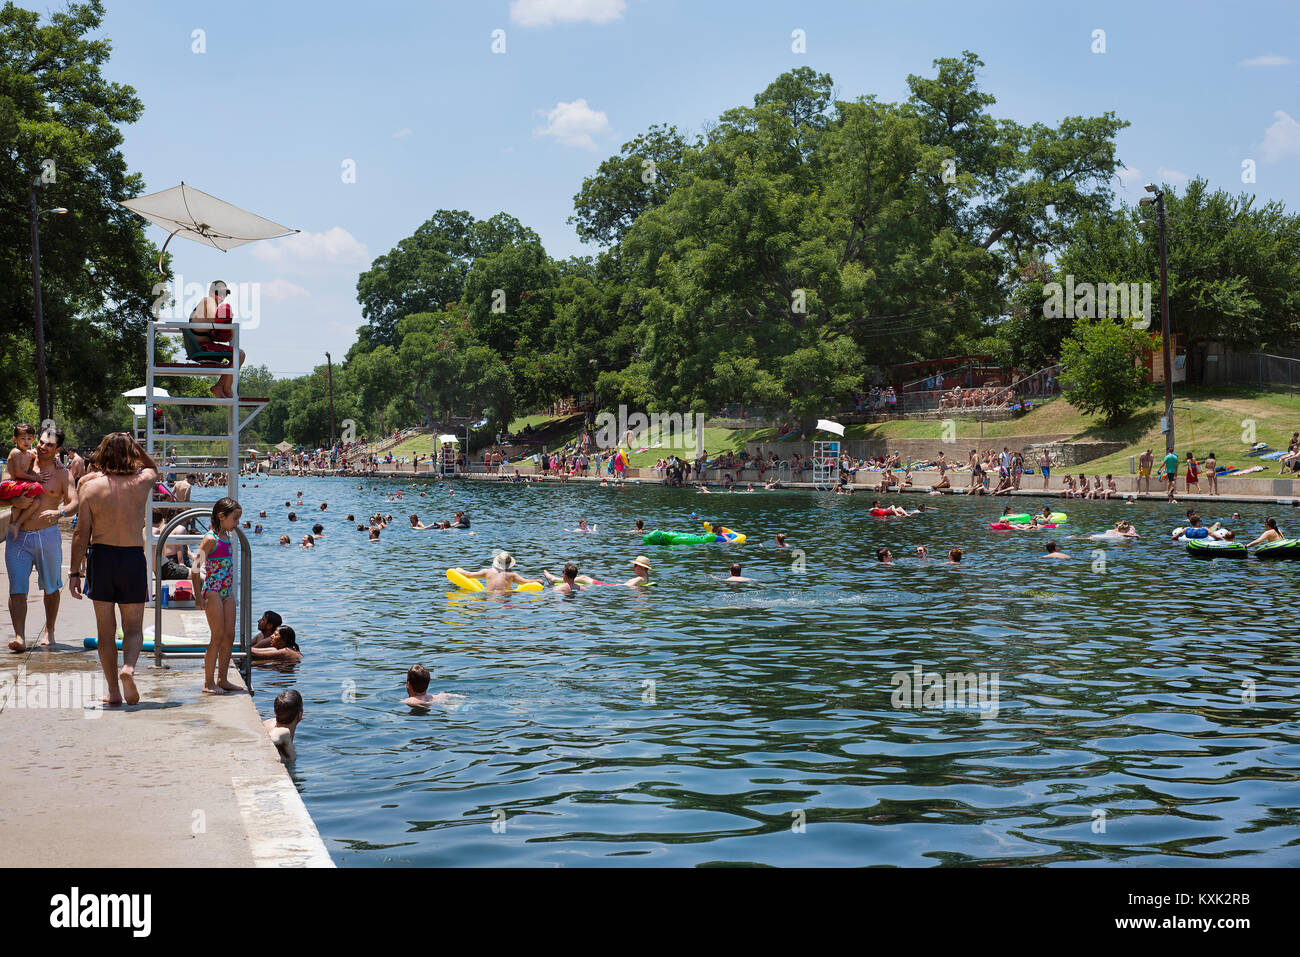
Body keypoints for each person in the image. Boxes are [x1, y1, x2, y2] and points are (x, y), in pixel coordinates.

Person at [68, 433, 157, 704]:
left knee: (105, 631)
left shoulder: (90, 487)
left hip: (102, 557)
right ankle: (128, 668)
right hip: (131, 558)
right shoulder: (142, 482)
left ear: (101, 455)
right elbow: (153, 468)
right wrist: (137, 446)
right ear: (131, 454)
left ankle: (113, 691)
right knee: (133, 628)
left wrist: (74, 572)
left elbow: (81, 534)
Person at [6, 426, 76, 651]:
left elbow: (74, 502)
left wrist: (61, 512)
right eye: (41, 442)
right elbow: (2, 493)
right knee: (17, 587)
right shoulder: (22, 462)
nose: (43, 447)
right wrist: (14, 503)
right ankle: (19, 636)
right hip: (19, 537)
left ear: (58, 449)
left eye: (50, 445)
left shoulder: (63, 473)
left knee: (52, 587)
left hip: (48, 536)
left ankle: (50, 629)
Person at [192, 497, 243, 695]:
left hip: (227, 591)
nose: (237, 523)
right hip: (213, 590)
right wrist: (198, 597)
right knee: (217, 636)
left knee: (229, 636)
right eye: (235, 518)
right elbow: (195, 569)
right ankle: (208, 682)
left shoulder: (227, 536)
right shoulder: (210, 539)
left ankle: (223, 679)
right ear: (221, 517)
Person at [190, 280, 246, 399]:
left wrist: (225, 327)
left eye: (224, 294)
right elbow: (213, 320)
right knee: (239, 354)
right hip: (202, 347)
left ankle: (221, 386)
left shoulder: (210, 305)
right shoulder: (208, 301)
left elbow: (220, 333)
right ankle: (224, 387)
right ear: (210, 292)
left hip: (202, 346)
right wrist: (226, 321)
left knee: (237, 355)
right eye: (218, 292)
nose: (221, 296)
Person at [1, 422, 45, 535]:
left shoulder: (28, 454)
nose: (26, 442)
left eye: (29, 438)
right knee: (36, 487)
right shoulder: (16, 452)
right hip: (8, 485)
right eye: (22, 438)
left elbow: (37, 461)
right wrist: (36, 477)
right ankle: (16, 510)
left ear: (34, 438)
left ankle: (17, 523)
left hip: (17, 486)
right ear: (14, 439)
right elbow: (18, 473)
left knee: (36, 502)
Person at [461, 552, 542, 592]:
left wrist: (457, 571)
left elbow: (469, 575)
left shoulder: (487, 571)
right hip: (504, 598)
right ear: (510, 564)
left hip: (489, 599)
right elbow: (525, 582)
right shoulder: (512, 575)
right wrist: (538, 581)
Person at [264, 689, 303, 763]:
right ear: (300, 715)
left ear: (275, 711)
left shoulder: (267, 723)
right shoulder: (284, 732)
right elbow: (273, 737)